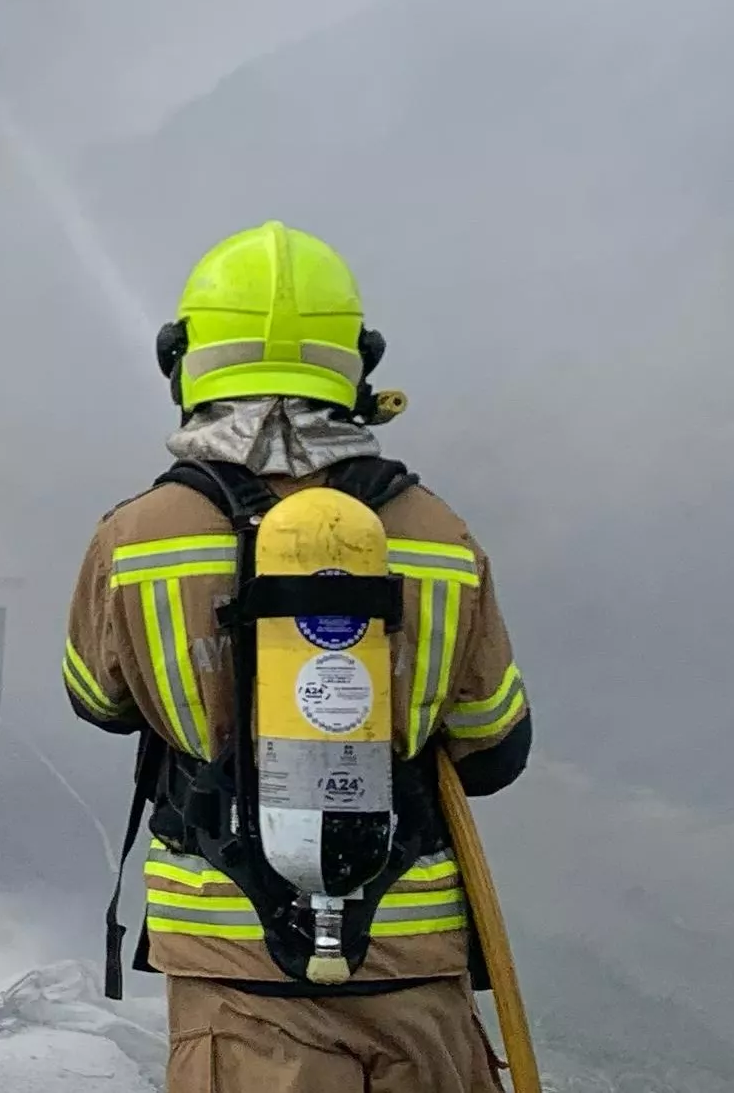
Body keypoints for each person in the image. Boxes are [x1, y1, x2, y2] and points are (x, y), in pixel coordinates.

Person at [63, 221, 532, 1092]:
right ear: (359, 362)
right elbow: (495, 746)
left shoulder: (138, 537)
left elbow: (98, 699)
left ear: (184, 361)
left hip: (235, 976)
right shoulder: (437, 533)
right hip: (410, 962)